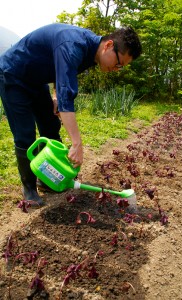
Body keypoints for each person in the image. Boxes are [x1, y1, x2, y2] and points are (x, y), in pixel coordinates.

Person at [0, 23, 142, 206]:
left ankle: (46, 179)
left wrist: (55, 95)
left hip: (36, 79)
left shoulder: (90, 52)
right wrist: (76, 143)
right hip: (13, 74)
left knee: (50, 125)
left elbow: (63, 73)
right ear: (108, 46)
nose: (116, 69)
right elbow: (67, 93)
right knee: (25, 133)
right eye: (119, 64)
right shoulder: (73, 45)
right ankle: (29, 188)